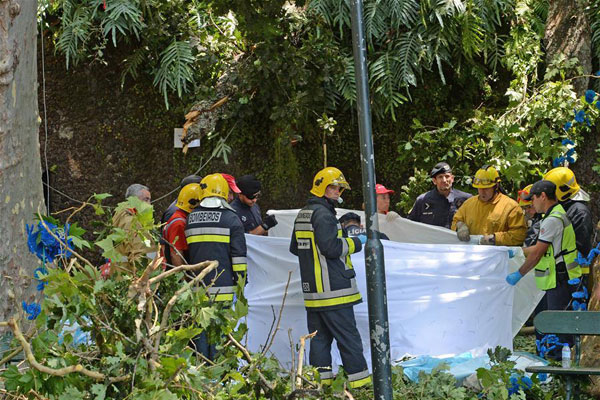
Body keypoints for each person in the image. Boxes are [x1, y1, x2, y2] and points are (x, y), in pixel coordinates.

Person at [289, 167, 371, 389]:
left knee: (319, 342)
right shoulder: (324, 215)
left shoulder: (303, 214)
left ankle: (320, 387)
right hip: (334, 290)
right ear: (322, 188)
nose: (338, 191)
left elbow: (295, 248)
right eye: (334, 187)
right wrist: (356, 242)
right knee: (349, 339)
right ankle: (361, 387)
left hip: (314, 294)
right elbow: (331, 249)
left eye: (339, 187)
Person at [505, 180, 582, 355]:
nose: (532, 203)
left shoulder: (552, 220)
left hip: (560, 278)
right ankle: (555, 362)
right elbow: (542, 247)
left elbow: (539, 252)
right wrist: (518, 251)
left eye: (533, 199)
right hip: (559, 277)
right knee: (554, 323)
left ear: (543, 196)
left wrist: (518, 274)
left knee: (558, 326)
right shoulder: (555, 214)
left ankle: (559, 368)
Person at [185, 174, 247, 360]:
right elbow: (239, 258)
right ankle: (220, 378)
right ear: (224, 192)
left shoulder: (191, 218)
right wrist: (242, 283)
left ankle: (202, 375)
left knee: (200, 335)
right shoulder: (231, 219)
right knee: (221, 336)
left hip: (198, 289)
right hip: (224, 288)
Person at [451, 165, 526, 246]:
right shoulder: (469, 204)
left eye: (486, 188)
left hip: (497, 256)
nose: (482, 192)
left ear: (496, 186)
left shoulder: (511, 207)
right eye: (479, 188)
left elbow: (518, 235)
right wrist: (459, 226)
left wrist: (494, 239)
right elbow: (456, 220)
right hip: (472, 255)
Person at [543, 167, 594, 276]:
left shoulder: (579, 212)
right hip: (559, 273)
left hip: (572, 275)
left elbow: (580, 247)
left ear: (562, 190)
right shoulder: (561, 208)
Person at [408, 162, 471, 229]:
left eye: (447, 176)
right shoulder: (422, 200)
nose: (444, 180)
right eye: (440, 177)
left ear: (452, 179)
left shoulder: (466, 199)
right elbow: (411, 225)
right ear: (434, 181)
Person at [111, 184, 154, 275]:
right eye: (146, 199)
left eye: (150, 200)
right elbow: (138, 257)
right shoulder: (132, 223)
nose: (149, 204)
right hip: (133, 279)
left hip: (122, 275)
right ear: (134, 200)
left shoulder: (121, 217)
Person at [160, 183, 202, 268]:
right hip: (177, 274)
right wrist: (183, 279)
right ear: (193, 203)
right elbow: (176, 255)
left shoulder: (179, 217)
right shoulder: (179, 223)